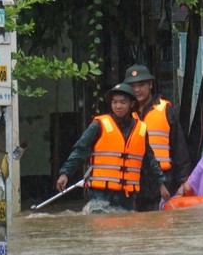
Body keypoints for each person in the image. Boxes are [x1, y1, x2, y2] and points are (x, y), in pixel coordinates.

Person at [56, 83, 170, 211]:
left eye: (122, 102)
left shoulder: (141, 129)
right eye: (114, 102)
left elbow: (150, 160)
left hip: (126, 196)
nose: (118, 106)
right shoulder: (99, 125)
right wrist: (65, 173)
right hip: (100, 193)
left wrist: (161, 185)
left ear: (131, 104)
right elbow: (80, 150)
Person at [123, 64, 190, 211]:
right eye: (132, 86)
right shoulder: (124, 114)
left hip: (164, 179)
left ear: (150, 85)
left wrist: (183, 181)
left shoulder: (166, 109)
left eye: (141, 85)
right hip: (134, 179)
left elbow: (179, 148)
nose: (137, 90)